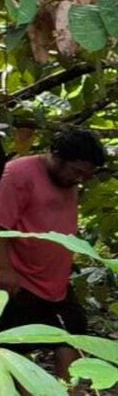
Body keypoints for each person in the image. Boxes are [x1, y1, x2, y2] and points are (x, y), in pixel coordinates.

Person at [0, 128, 106, 378]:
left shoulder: (67, 179)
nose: (79, 179)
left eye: (85, 175)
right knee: (17, 343)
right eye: (76, 171)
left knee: (72, 333)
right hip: (21, 278)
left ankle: (70, 394)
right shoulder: (18, 174)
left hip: (54, 279)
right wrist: (4, 271)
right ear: (56, 156)